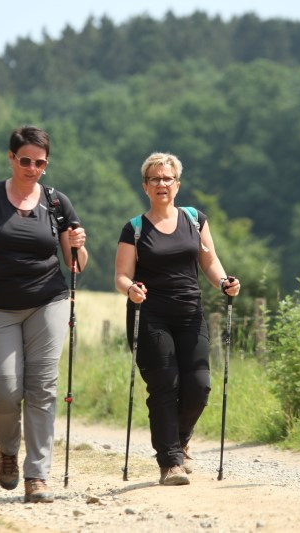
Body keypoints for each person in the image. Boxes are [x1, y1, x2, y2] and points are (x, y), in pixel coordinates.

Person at [0, 125, 88, 503]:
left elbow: (75, 264)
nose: (32, 169)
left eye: (40, 163)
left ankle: (37, 476)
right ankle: (8, 449)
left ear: (46, 164)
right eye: (25, 161)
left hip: (48, 301)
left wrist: (79, 245)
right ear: (11, 158)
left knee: (42, 388)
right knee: (4, 390)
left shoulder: (57, 203)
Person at [114, 152, 240, 486]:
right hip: (151, 315)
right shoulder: (135, 229)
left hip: (189, 314)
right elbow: (122, 276)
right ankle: (170, 462)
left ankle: (181, 439)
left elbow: (210, 262)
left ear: (177, 184)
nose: (161, 184)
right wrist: (131, 289)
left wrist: (224, 282)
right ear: (145, 186)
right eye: (154, 179)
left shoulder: (195, 220)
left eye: (167, 178)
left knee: (199, 386)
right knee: (164, 386)